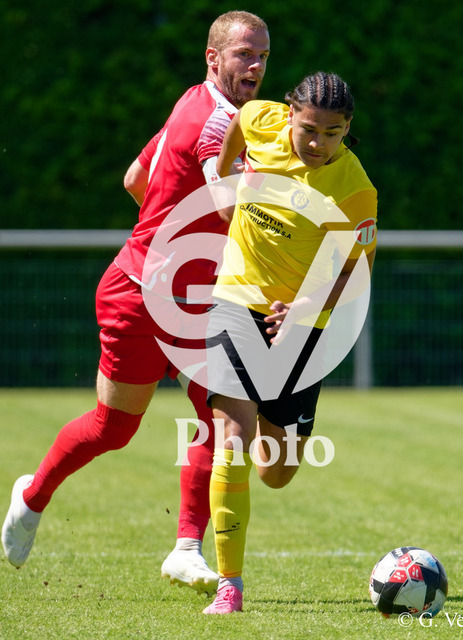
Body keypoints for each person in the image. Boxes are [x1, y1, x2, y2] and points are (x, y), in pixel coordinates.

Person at [1, 11, 270, 599]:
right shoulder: (219, 123)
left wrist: (177, 234)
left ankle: (186, 548)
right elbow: (231, 205)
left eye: (263, 56)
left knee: (223, 418)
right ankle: (31, 496)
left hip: (195, 301)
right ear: (213, 58)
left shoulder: (193, 101)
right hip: (140, 297)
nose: (255, 65)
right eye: (244, 54)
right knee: (113, 428)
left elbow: (133, 178)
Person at [200, 71, 378, 614]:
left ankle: (266, 417)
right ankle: (229, 585)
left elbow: (356, 272)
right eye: (309, 130)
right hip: (236, 298)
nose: (319, 143)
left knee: (276, 473)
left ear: (348, 129)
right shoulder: (260, 118)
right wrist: (223, 178)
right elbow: (236, 128)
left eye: (334, 133)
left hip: (304, 327)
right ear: (289, 114)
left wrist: (302, 309)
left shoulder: (355, 189)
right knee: (231, 437)